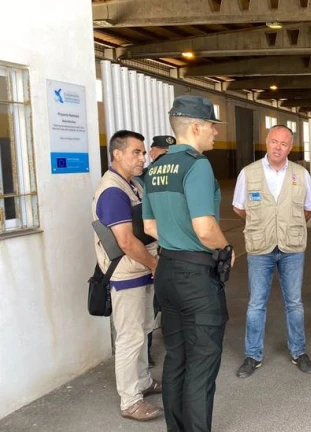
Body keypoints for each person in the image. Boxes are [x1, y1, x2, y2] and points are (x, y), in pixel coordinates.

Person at [142, 95, 232, 432]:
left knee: (176, 358)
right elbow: (205, 229)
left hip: (166, 271)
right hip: (196, 277)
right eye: (212, 125)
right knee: (201, 365)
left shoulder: (155, 167)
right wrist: (226, 248)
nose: (215, 132)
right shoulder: (197, 165)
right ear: (195, 127)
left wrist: (175, 237)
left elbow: (149, 227)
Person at [233, 125, 311, 378]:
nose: (278, 147)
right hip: (260, 248)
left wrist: (288, 223)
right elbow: (239, 207)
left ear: (290, 148)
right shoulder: (248, 173)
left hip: (292, 247)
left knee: (294, 302)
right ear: (266, 142)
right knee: (256, 303)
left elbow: (310, 208)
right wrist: (262, 223)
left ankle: (298, 351)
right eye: (274, 141)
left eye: (284, 143)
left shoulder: (300, 174)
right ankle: (253, 355)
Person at [92, 130, 162, 422]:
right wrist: (154, 264)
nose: (142, 158)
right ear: (117, 154)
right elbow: (125, 241)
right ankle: (130, 400)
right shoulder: (113, 191)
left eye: (143, 152)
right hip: (127, 273)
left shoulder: (131, 184)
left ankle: (143, 381)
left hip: (140, 269)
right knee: (130, 337)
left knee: (142, 330)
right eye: (136, 152)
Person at [144, 134, 175, 368]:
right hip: (149, 247)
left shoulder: (175, 176)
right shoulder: (144, 177)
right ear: (152, 152)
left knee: (168, 298)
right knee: (148, 304)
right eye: (163, 153)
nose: (166, 158)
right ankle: (144, 351)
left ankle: (171, 336)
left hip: (169, 248)